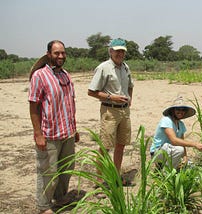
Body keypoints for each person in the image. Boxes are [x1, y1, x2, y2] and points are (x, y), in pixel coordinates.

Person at [28, 40, 79, 214]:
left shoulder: (66, 75)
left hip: (68, 132)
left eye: (63, 53)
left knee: (67, 167)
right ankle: (43, 206)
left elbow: (70, 103)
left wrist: (75, 128)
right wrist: (38, 134)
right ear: (49, 54)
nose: (61, 56)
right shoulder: (39, 76)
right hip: (49, 134)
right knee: (48, 171)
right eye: (57, 53)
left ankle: (60, 197)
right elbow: (33, 106)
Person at [88, 38, 134, 185]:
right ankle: (99, 181)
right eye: (117, 50)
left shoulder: (126, 67)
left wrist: (129, 99)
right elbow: (91, 91)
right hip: (110, 111)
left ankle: (115, 175)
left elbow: (131, 85)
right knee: (105, 146)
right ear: (111, 51)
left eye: (122, 51)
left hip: (124, 111)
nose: (120, 53)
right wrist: (111, 97)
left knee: (121, 144)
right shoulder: (103, 68)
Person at [150, 96, 202, 170]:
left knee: (189, 164)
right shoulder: (166, 120)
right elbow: (174, 140)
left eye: (183, 110)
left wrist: (185, 157)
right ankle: (166, 172)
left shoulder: (181, 124)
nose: (180, 112)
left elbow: (182, 142)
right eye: (178, 109)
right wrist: (195, 144)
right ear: (173, 110)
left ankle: (168, 169)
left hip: (170, 151)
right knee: (179, 150)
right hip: (158, 152)